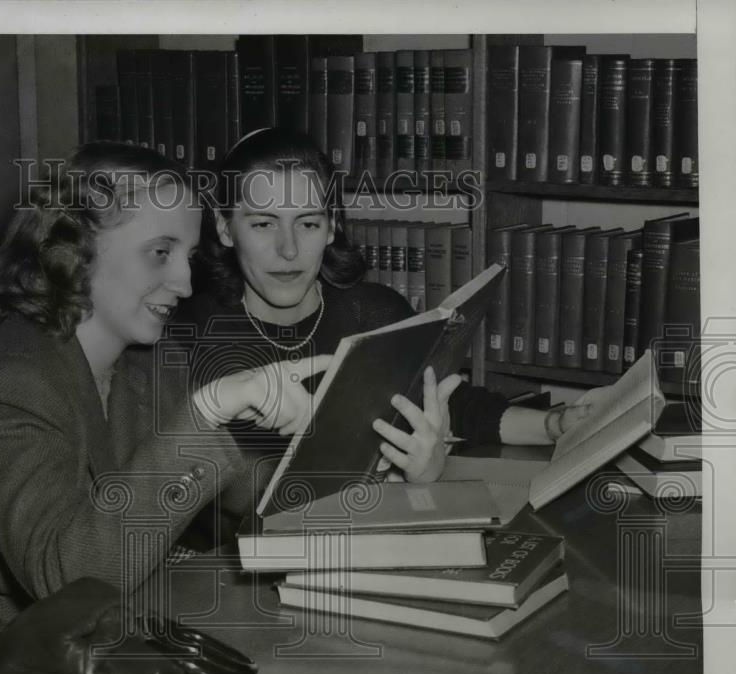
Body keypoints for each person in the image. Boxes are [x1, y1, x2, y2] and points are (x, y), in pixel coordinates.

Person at [0, 142, 329, 674]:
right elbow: (70, 577)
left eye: (189, 255)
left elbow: (256, 496)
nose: (184, 282)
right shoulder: (4, 380)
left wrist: (391, 465)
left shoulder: (150, 361)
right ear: (76, 252)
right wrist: (204, 418)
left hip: (60, 660)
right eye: (160, 252)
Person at [173, 127, 608, 549]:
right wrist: (397, 479)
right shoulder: (186, 337)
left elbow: (444, 400)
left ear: (332, 227)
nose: (288, 250)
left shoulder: (375, 312)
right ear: (226, 229)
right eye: (263, 225)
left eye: (307, 224)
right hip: (222, 570)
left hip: (361, 544)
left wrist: (555, 426)